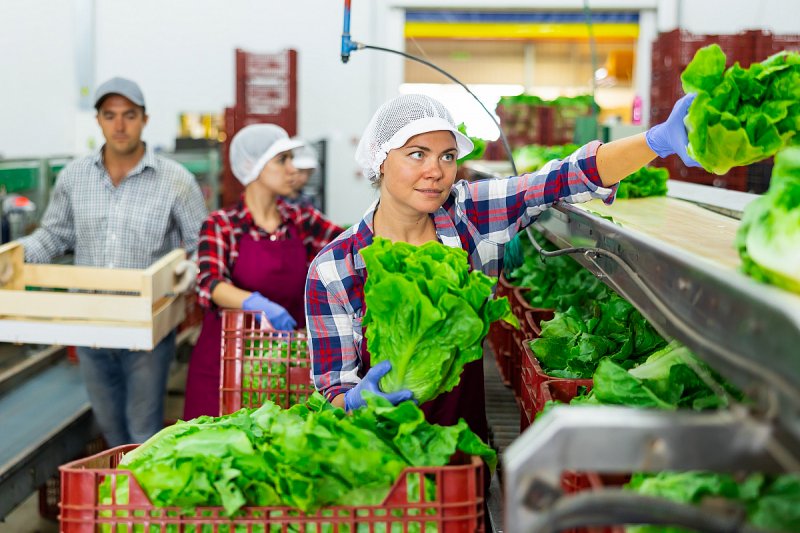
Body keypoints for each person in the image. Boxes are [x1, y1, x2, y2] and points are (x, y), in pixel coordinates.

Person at [305, 92, 700, 443]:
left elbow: (561, 179)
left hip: (463, 444)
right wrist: (353, 401)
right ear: (380, 160)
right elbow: (333, 390)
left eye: (448, 156)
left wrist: (654, 141)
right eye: (416, 154)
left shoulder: (470, 215)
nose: (436, 171)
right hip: (381, 453)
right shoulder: (335, 269)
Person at [18, 77, 208, 447]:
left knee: (142, 429)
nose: (119, 125)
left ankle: (140, 503)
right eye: (110, 115)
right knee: (110, 428)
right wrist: (14, 256)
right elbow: (54, 235)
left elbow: (203, 243)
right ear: (99, 121)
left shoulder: (176, 181)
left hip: (148, 328)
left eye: (129, 115)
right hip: (91, 324)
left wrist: (193, 269)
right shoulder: (74, 177)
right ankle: (123, 498)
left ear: (145, 120)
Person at [184, 124, 344, 419]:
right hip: (226, 365)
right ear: (253, 166)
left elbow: (350, 246)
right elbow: (208, 282)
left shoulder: (300, 220)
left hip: (285, 363)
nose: (291, 169)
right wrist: (255, 303)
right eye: (282, 160)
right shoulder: (223, 225)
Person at [283, 141, 319, 209]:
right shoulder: (272, 200)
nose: (304, 179)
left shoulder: (310, 201)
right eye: (300, 171)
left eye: (309, 172)